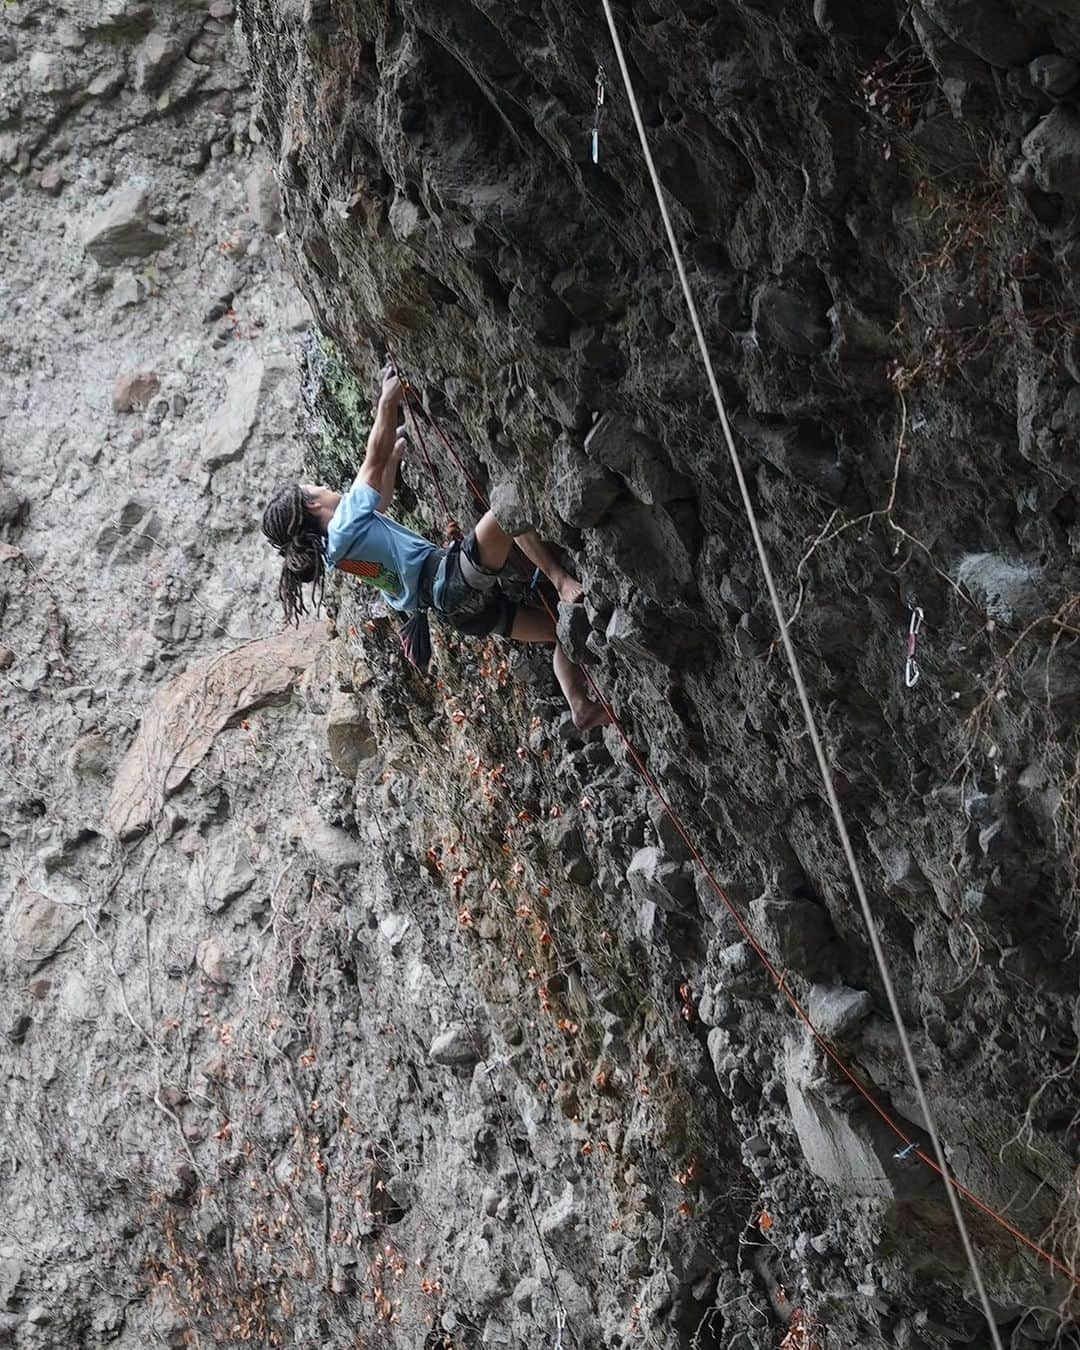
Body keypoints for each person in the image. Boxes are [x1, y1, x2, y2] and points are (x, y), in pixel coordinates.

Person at [262, 367, 611, 730]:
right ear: (312, 505)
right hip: (450, 581)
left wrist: (393, 461)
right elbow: (371, 461)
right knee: (508, 506)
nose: (323, 486)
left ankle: (580, 705)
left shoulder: (339, 550)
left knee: (558, 631)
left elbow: (378, 504)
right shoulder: (342, 525)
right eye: (315, 487)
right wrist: (388, 400)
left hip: (454, 611)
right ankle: (561, 581)